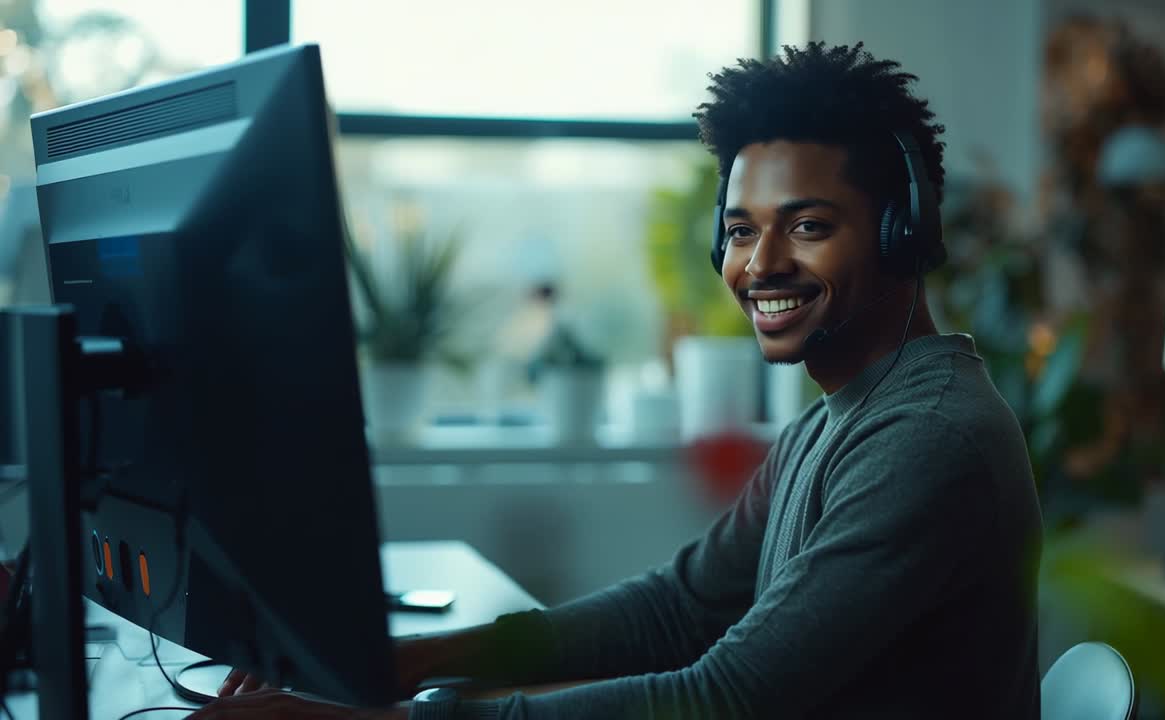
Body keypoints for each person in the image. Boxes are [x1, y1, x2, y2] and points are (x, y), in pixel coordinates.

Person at [195, 42, 1043, 719]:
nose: (761, 264)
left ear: (902, 233)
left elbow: (726, 696)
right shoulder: (837, 420)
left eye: (810, 225)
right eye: (741, 232)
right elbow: (674, 611)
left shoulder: (930, 437)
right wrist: (397, 663)